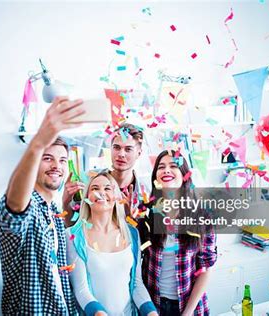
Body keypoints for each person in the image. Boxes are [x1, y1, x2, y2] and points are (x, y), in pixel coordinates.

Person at [0, 96, 85, 315]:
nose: (57, 166)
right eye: (48, 158)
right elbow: (14, 210)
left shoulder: (52, 210)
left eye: (62, 160)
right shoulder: (27, 206)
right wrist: (37, 145)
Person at [66, 171, 158, 316]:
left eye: (108, 188)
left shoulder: (132, 233)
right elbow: (81, 289)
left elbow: (136, 284)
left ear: (116, 197)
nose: (101, 193)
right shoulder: (73, 235)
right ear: (87, 197)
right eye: (95, 188)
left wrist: (151, 312)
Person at [138, 150, 217, 316]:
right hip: (153, 306)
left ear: (185, 175)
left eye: (173, 166)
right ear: (156, 177)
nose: (166, 170)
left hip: (190, 307)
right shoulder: (146, 212)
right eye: (161, 167)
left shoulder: (203, 215)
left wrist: (187, 312)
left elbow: (206, 268)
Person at [63, 123, 147, 226]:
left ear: (139, 153)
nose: (121, 154)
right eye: (116, 147)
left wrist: (130, 219)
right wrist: (65, 203)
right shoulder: (89, 181)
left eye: (128, 149)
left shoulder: (146, 193)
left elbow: (148, 238)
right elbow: (73, 226)